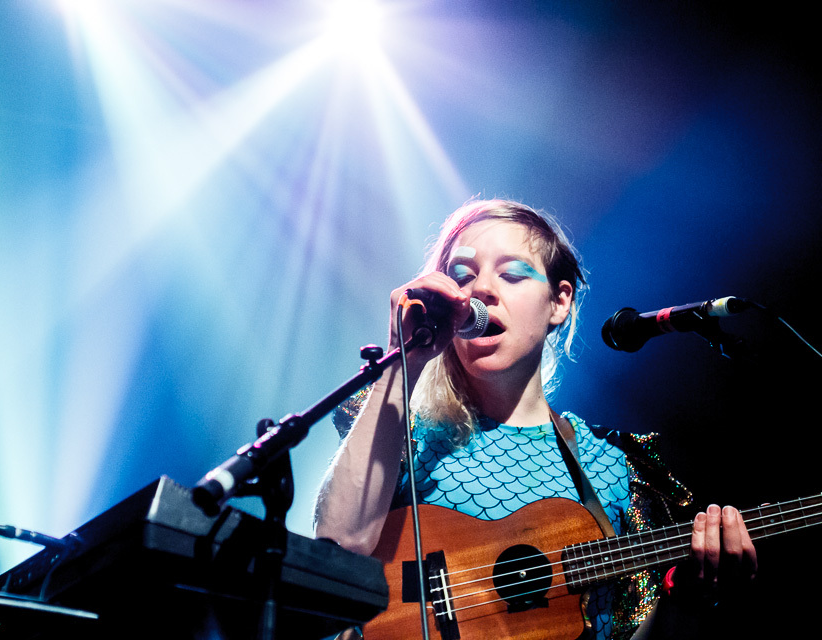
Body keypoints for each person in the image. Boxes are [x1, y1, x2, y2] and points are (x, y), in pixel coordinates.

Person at [313, 199, 757, 639]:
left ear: (559, 302)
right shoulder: (405, 429)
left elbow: (622, 631)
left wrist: (691, 596)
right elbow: (339, 542)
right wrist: (401, 358)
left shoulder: (611, 462)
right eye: (462, 276)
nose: (480, 290)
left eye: (511, 274)